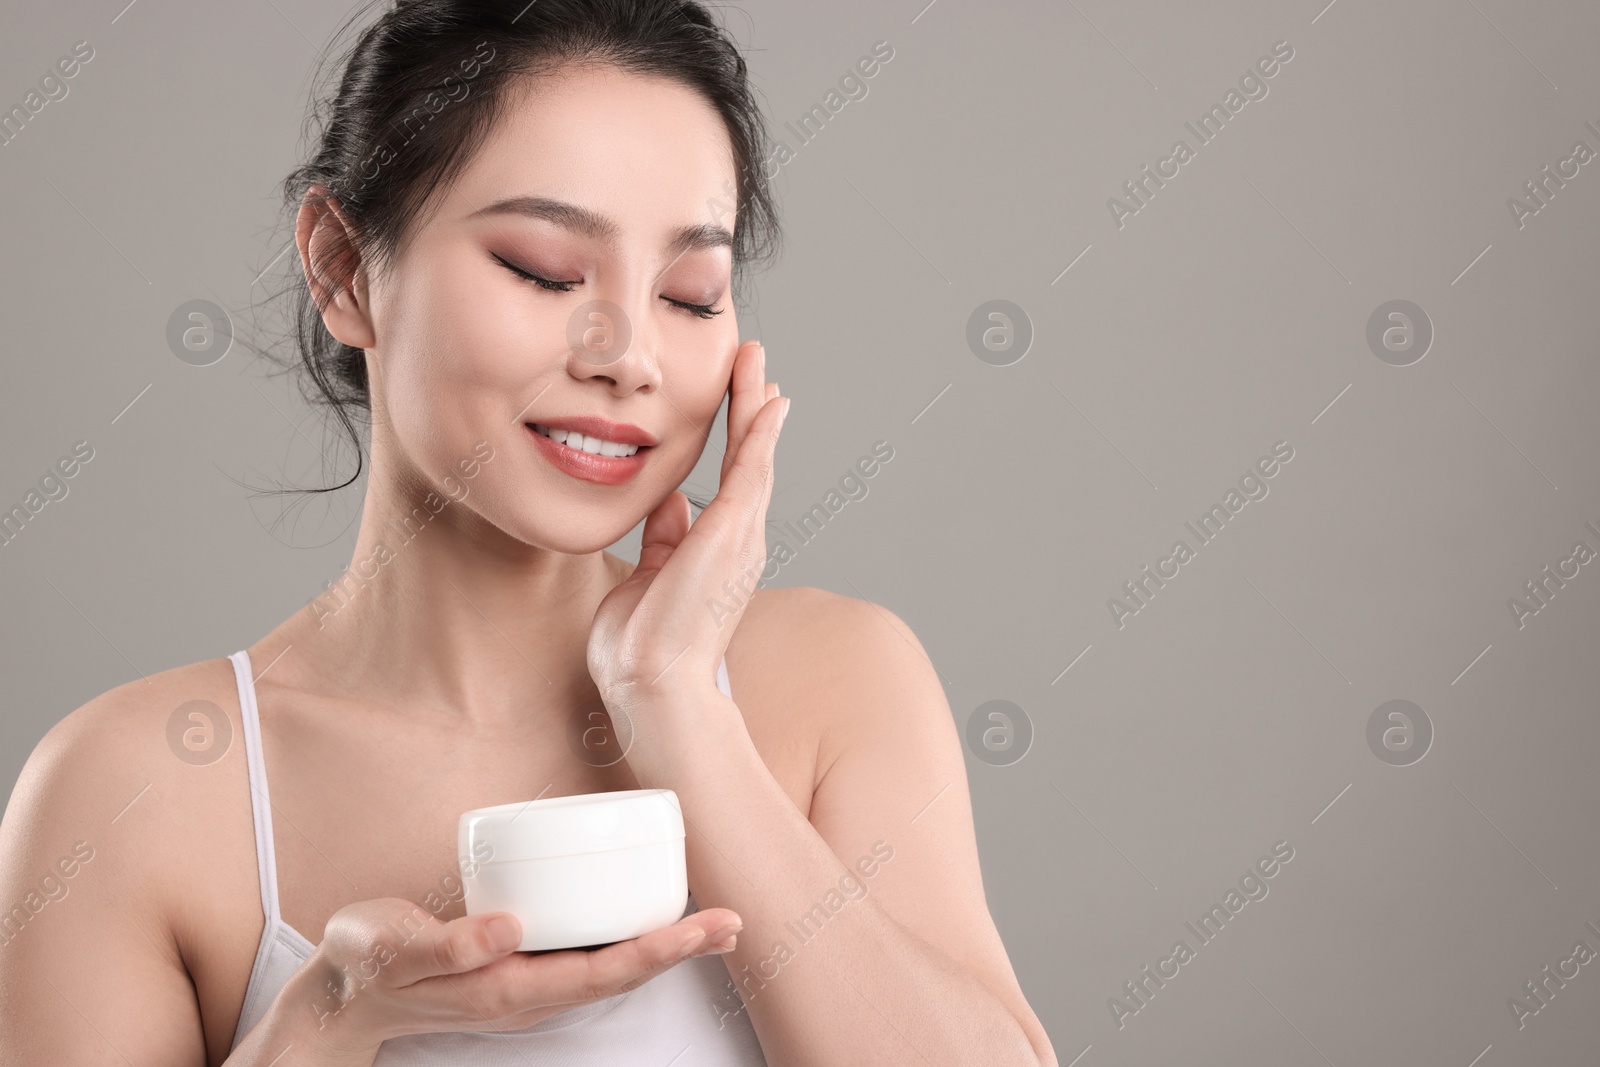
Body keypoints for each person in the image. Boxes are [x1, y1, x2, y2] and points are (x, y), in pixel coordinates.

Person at [0, 1, 1056, 1063]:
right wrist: (325, 1024)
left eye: (691, 294)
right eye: (545, 270)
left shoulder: (834, 681)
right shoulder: (137, 789)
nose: (628, 354)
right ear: (341, 266)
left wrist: (676, 705)